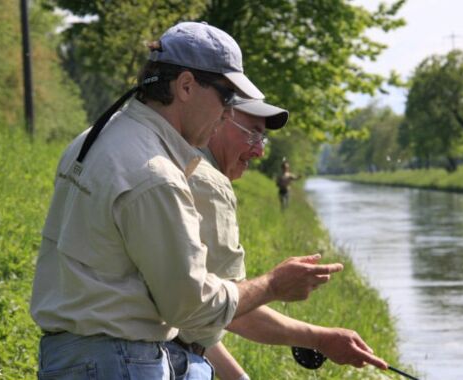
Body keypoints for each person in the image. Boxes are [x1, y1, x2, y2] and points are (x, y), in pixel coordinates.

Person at [30, 21, 344, 380]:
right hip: (119, 362)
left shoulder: (93, 139)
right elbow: (191, 309)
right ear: (186, 86)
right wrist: (273, 285)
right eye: (226, 97)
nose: (228, 112)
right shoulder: (156, 174)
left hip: (68, 358)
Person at [174, 97, 388, 379]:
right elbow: (222, 307)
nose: (260, 150)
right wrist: (319, 337)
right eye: (252, 133)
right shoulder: (208, 184)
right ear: (219, 118)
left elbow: (191, 323)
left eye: (263, 138)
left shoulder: (172, 158)